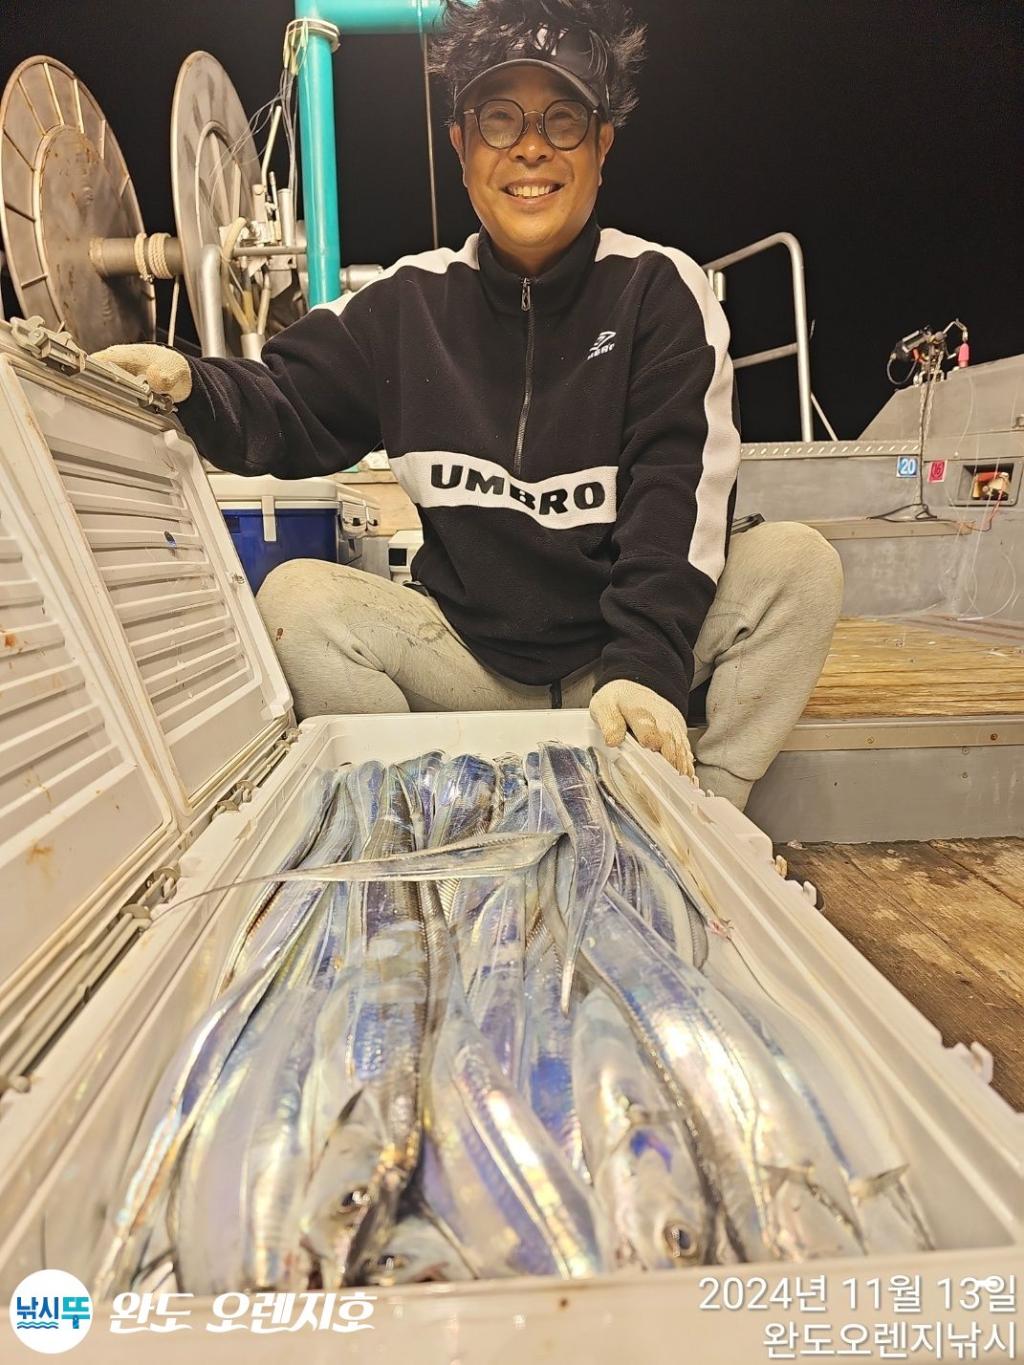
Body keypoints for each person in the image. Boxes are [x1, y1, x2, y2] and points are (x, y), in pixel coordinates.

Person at [94, 0, 843, 812]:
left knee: (799, 568)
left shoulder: (662, 292)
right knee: (297, 605)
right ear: (460, 145)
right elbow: (285, 399)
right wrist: (192, 383)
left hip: (613, 662)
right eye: (498, 118)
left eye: (563, 120)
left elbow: (676, 496)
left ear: (602, 145)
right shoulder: (405, 304)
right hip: (466, 658)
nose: (531, 146)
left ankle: (705, 810)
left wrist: (641, 667)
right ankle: (418, 811)